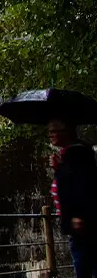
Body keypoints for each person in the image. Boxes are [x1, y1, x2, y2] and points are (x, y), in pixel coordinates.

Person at [49, 118, 97, 277]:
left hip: (82, 225)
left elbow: (81, 185)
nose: (51, 134)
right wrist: (59, 167)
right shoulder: (69, 155)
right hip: (78, 225)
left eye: (55, 131)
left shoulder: (77, 154)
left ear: (66, 132)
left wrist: (78, 214)